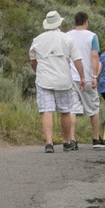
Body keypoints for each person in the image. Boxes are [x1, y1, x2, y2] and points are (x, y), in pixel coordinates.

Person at [29, 11, 81, 151]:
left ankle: (49, 143)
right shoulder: (67, 39)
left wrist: (39, 71)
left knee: (47, 110)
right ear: (59, 23)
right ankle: (66, 141)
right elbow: (77, 60)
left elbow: (33, 61)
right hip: (63, 79)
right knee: (65, 111)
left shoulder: (37, 40)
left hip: (44, 79)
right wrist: (82, 77)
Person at [64, 13, 105, 147]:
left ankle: (72, 139)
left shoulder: (67, 35)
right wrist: (94, 76)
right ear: (86, 22)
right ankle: (95, 138)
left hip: (71, 76)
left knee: (72, 109)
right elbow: (94, 56)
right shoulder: (92, 36)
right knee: (93, 108)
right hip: (86, 76)